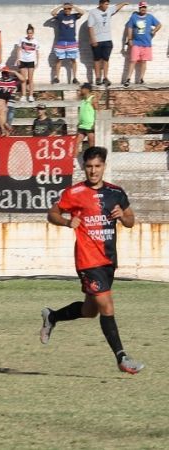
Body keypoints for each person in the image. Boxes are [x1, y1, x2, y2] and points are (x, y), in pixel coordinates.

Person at [41, 146, 143, 374]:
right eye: (89, 166)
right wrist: (67, 222)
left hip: (108, 260)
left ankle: (52, 316)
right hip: (88, 260)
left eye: (97, 166)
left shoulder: (116, 192)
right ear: (83, 167)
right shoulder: (74, 192)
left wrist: (122, 216)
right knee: (106, 304)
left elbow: (130, 220)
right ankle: (122, 357)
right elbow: (52, 213)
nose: (93, 171)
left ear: (104, 166)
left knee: (90, 311)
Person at [88, 1, 128, 86]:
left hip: (107, 39)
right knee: (97, 59)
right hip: (97, 40)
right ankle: (98, 78)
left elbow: (116, 8)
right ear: (100, 4)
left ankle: (105, 78)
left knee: (106, 59)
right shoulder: (93, 12)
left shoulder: (109, 10)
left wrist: (124, 3)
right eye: (105, 4)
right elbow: (90, 27)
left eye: (107, 4)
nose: (107, 6)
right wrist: (93, 39)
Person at [124, 2, 162, 86]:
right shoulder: (133, 17)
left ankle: (141, 79)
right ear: (139, 8)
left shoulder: (150, 17)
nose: (143, 9)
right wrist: (129, 39)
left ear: (146, 8)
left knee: (144, 62)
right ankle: (128, 79)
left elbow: (159, 25)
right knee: (133, 61)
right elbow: (129, 28)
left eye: (144, 7)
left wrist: (154, 31)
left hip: (147, 43)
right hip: (136, 43)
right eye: (141, 7)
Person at [0, 66, 25, 137]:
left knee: (6, 129)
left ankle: (4, 130)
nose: (5, 75)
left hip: (10, 104)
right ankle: (3, 128)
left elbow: (23, 80)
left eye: (6, 73)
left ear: (8, 74)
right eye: (4, 73)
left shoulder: (13, 81)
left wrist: (14, 72)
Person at [50, 3, 84, 84]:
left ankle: (75, 78)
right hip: (61, 42)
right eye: (66, 9)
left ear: (71, 9)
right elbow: (52, 13)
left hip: (71, 41)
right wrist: (61, 6)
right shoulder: (60, 16)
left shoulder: (74, 16)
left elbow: (82, 12)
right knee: (59, 60)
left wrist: (73, 6)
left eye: (69, 9)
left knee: (73, 60)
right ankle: (57, 78)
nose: (67, 10)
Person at [16, 24, 40, 102]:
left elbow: (37, 52)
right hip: (23, 60)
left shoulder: (36, 42)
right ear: (27, 33)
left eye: (31, 33)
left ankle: (30, 95)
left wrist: (37, 62)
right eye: (28, 33)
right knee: (23, 79)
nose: (30, 34)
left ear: (33, 33)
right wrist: (18, 59)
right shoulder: (22, 40)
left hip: (31, 61)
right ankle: (23, 95)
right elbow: (18, 49)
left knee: (30, 79)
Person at [77, 82, 98, 156]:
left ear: (87, 89)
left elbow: (97, 112)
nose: (80, 90)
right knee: (75, 144)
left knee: (91, 145)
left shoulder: (93, 99)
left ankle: (91, 159)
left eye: (82, 88)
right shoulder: (82, 101)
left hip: (90, 126)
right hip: (82, 126)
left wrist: (95, 124)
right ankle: (73, 162)